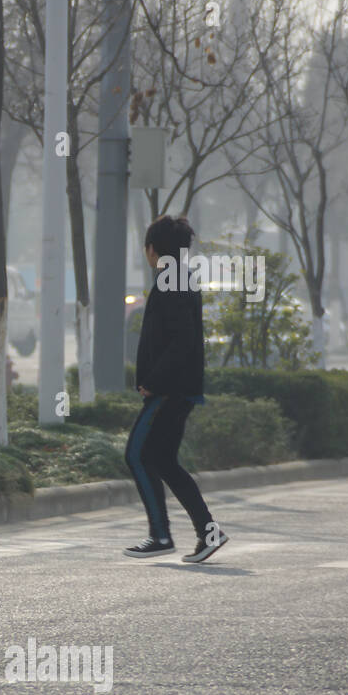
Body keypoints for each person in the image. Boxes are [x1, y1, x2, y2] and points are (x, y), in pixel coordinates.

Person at [125, 215, 229, 563]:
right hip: (175, 387)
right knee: (164, 461)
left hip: (168, 390)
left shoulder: (171, 282)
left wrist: (153, 382)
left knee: (138, 455)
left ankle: (161, 535)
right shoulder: (177, 278)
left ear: (152, 249)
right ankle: (208, 533)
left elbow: (181, 342)